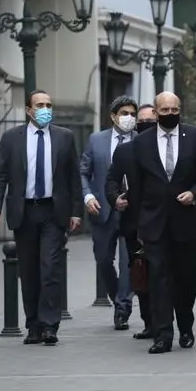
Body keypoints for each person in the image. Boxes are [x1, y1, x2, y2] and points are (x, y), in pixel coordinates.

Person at [0, 90, 83, 346]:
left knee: (50, 267)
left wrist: (76, 210)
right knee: (29, 271)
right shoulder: (11, 139)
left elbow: (74, 176)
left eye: (49, 105)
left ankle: (50, 325)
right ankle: (34, 325)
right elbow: (0, 176)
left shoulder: (65, 137)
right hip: (24, 211)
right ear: (29, 110)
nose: (45, 109)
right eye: (40, 105)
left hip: (53, 211)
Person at [127, 91, 196, 354]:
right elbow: (137, 185)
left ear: (180, 109)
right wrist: (140, 225)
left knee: (186, 279)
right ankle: (163, 334)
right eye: (163, 111)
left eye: (173, 110)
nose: (169, 115)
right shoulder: (141, 142)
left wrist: (195, 193)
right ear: (155, 113)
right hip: (154, 224)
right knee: (159, 279)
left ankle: (186, 326)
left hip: (187, 222)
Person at [80, 95, 138, 330]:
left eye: (133, 114)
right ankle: (118, 298)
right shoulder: (96, 140)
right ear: (113, 116)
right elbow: (83, 171)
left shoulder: (141, 141)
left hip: (131, 212)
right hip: (102, 209)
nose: (129, 118)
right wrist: (88, 195)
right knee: (103, 260)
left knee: (128, 263)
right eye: (124, 113)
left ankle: (123, 309)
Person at [105, 104, 157, 339]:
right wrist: (116, 199)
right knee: (140, 274)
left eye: (151, 119)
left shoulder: (169, 150)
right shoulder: (125, 151)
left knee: (163, 274)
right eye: (142, 120)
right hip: (134, 224)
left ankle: (167, 321)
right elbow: (111, 180)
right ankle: (149, 323)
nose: (146, 124)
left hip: (164, 222)